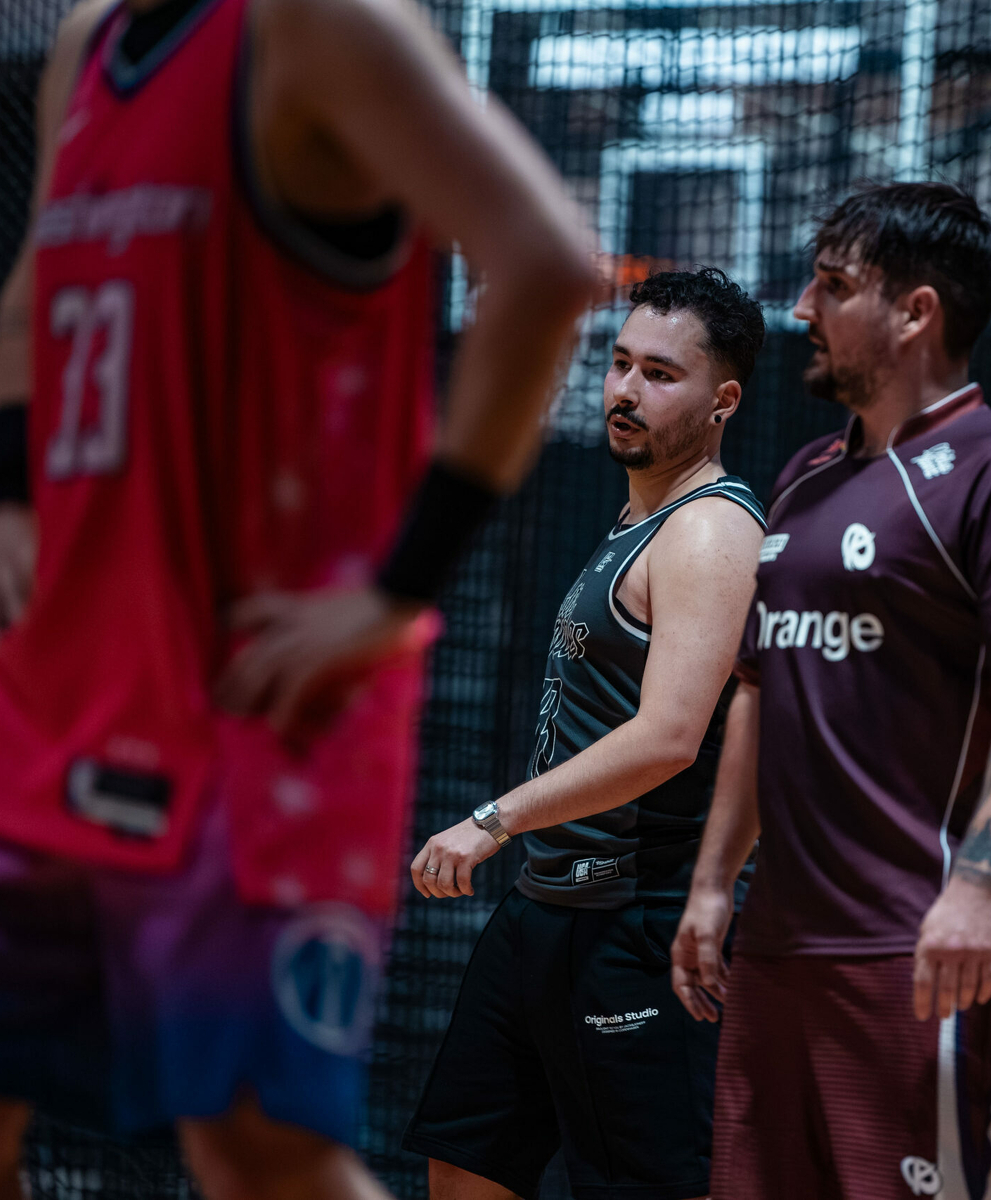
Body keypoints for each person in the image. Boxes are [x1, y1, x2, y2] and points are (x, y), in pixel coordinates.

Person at [0, 0, 596, 1193]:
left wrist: (396, 587)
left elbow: (547, 262)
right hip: (60, 672)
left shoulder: (319, 27)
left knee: (258, 1151)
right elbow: (40, 274)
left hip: (259, 694)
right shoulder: (88, 44)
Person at [670, 183, 991, 1200]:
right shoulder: (804, 478)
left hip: (914, 952)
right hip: (774, 948)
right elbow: (758, 692)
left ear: (915, 314)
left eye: (832, 285)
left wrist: (979, 887)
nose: (802, 309)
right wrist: (709, 883)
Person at [403, 267, 768, 1200]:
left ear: (722, 399)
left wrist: (493, 818)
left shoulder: (709, 531)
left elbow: (669, 739)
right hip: (546, 910)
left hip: (635, 920)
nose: (624, 391)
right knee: (465, 1160)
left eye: (659, 374)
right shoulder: (637, 519)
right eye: (618, 364)